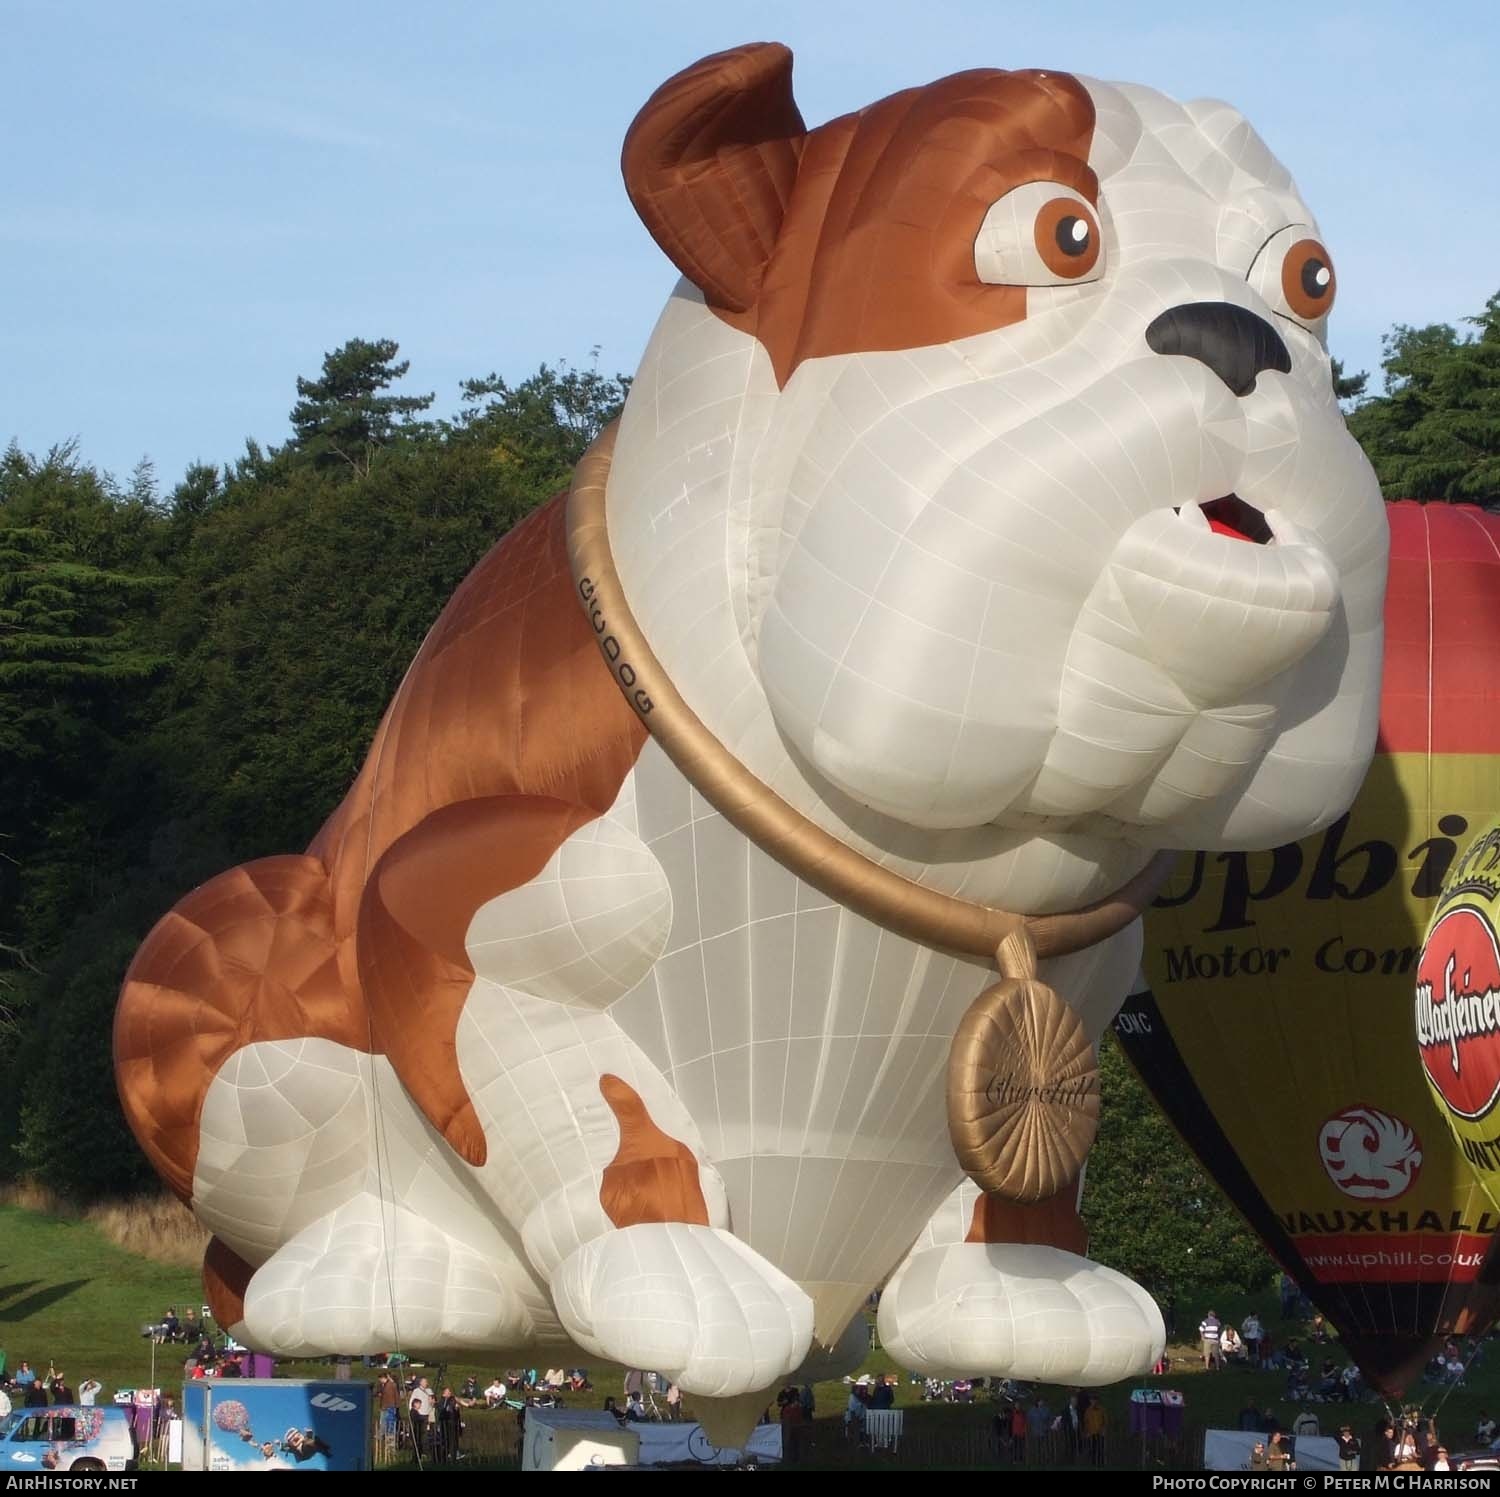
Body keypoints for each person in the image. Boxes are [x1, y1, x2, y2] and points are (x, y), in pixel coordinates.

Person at [408, 1378, 434, 1459]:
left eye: (426, 1382)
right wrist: (412, 1411)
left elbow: (433, 1400)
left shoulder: (429, 1391)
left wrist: (432, 1402)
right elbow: (411, 1401)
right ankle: (419, 1452)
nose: (426, 1383)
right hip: (420, 1414)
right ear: (420, 1383)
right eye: (424, 1382)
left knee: (426, 1434)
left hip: (427, 1413)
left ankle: (425, 1450)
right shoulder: (416, 1391)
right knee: (419, 1433)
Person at [437, 1387, 462, 1461]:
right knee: (445, 1439)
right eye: (448, 1392)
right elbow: (442, 1410)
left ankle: (454, 1453)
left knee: (453, 1439)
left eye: (450, 1392)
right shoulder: (442, 1401)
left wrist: (456, 1408)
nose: (449, 1393)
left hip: (453, 1422)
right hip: (444, 1423)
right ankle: (446, 1454)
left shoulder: (452, 1399)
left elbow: (456, 1409)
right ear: (444, 1393)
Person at [1082, 1398, 1107, 1466]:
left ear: (1097, 1401)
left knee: (1100, 1449)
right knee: (1092, 1449)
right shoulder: (1088, 1411)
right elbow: (1086, 1422)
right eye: (1092, 1400)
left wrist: (1104, 1430)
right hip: (1091, 1433)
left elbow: (1105, 1421)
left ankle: (1100, 1463)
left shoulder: (1101, 1410)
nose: (1094, 1402)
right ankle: (1093, 1464)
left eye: (1095, 1400)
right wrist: (1087, 1432)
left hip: (1100, 1433)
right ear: (1090, 1401)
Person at [377, 1371, 399, 1438]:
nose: (380, 1381)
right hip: (388, 1406)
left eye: (380, 1379)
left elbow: (389, 1397)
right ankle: (384, 1434)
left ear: (383, 1378)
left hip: (388, 1407)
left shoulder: (389, 1385)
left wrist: (384, 1407)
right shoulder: (389, 1384)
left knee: (385, 1421)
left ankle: (384, 1434)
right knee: (385, 1421)